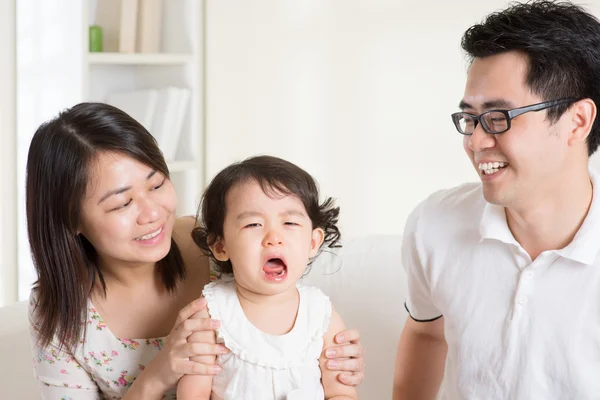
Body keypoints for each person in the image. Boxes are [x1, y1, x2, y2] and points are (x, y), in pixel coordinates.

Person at [26, 102, 365, 399]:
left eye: (157, 184)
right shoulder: (60, 313)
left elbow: (296, 307)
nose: (153, 213)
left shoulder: (217, 241)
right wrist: (157, 375)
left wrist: (329, 360)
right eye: (122, 203)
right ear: (71, 220)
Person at [392, 1, 600, 399]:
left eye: (499, 117)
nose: (475, 142)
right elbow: (426, 333)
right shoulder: (434, 223)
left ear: (577, 121)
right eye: (470, 118)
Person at [175, 156, 359, 400]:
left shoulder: (319, 313)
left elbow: (342, 392)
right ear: (221, 246)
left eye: (290, 222)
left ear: (313, 242)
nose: (274, 237)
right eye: (253, 224)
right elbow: (192, 393)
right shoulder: (212, 312)